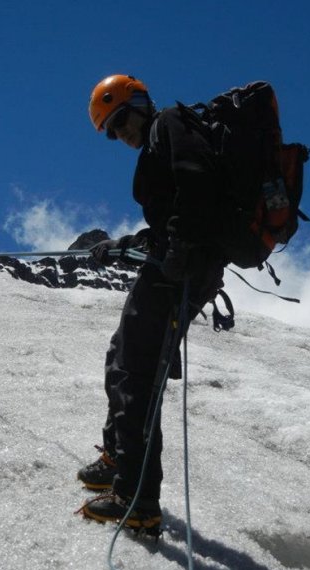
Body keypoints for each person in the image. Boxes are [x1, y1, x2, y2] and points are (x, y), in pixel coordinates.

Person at [78, 74, 226, 532]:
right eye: (113, 131)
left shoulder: (170, 124)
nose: (121, 133)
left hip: (180, 273)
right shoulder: (161, 139)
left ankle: (137, 497)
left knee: (137, 374)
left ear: (141, 103)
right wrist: (126, 244)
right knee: (121, 356)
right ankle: (117, 457)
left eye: (122, 120)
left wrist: (179, 251)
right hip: (174, 267)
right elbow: (172, 215)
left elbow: (197, 187)